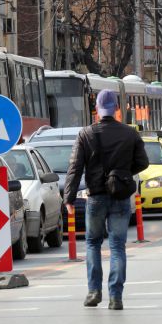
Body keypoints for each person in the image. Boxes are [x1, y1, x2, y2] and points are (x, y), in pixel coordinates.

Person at [64, 89, 149, 311]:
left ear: (97, 112)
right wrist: (122, 173)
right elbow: (143, 162)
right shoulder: (130, 134)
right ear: (117, 110)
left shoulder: (85, 134)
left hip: (95, 197)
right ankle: (116, 297)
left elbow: (75, 168)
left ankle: (94, 292)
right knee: (118, 246)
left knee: (92, 243)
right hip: (120, 196)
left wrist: (69, 198)